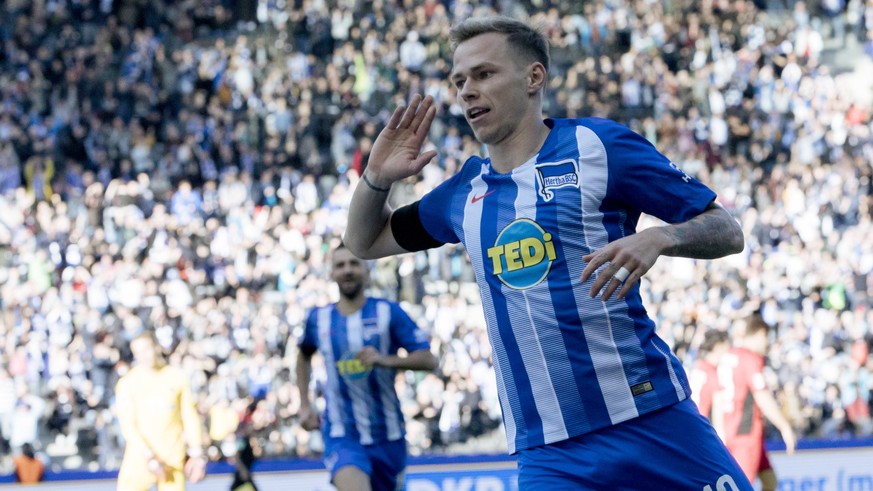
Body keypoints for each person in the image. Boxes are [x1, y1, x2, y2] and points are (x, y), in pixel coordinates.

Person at [345, 15, 752, 489]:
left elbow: (726, 230)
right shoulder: (463, 193)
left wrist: (660, 237)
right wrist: (376, 178)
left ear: (534, 77)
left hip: (652, 418)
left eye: (484, 74)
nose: (467, 91)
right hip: (549, 452)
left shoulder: (599, 146)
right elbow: (364, 241)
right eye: (459, 81)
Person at [296, 243, 438, 491]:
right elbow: (303, 355)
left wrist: (386, 360)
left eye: (354, 263)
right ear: (331, 273)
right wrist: (305, 404)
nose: (347, 270)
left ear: (367, 270)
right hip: (342, 434)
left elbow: (429, 359)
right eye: (340, 265)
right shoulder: (318, 319)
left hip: (388, 435)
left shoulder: (388, 312)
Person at [114, 332, 207, 491]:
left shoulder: (176, 377)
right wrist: (148, 455)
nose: (144, 356)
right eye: (138, 352)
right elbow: (128, 425)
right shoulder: (127, 383)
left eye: (147, 349)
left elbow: (189, 417)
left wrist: (197, 452)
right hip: (139, 459)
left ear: (156, 348)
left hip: (171, 458)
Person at [718, 312, 797, 491]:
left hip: (732, 429)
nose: (767, 343)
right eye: (767, 338)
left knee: (770, 482)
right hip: (745, 433)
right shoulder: (750, 358)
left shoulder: (729, 355)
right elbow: (762, 397)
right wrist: (785, 427)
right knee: (742, 487)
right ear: (761, 333)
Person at [690, 330, 731, 424]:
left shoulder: (698, 365)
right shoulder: (713, 374)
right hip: (700, 424)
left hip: (690, 419)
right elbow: (718, 411)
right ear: (718, 347)